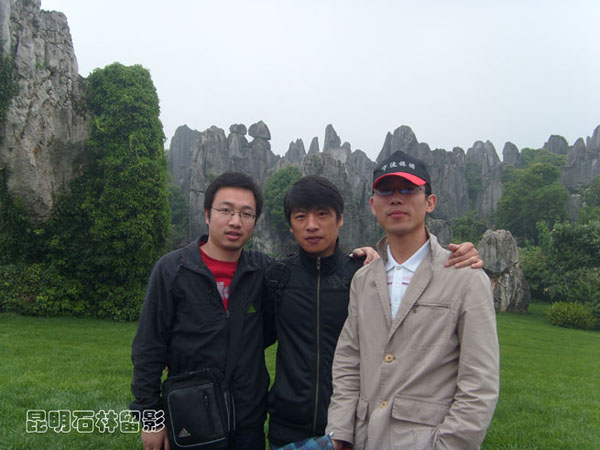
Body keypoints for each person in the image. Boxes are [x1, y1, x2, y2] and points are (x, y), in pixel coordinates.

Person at [264, 175, 484, 449]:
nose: (312, 225)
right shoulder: (277, 277)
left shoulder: (363, 276)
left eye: (322, 214)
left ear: (340, 219)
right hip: (287, 426)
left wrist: (460, 257)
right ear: (290, 225)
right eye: (300, 217)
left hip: (354, 428)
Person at [326, 151, 500, 450]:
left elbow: (479, 382)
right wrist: (340, 432)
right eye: (386, 191)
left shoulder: (465, 278)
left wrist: (449, 445)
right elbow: (348, 361)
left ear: (430, 202)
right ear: (373, 204)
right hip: (364, 438)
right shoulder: (363, 280)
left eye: (408, 189)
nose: (396, 199)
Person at [130, 172, 271, 450]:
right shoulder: (173, 269)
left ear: (254, 221)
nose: (235, 221)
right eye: (225, 210)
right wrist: (151, 419)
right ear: (207, 214)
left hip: (248, 423)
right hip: (190, 416)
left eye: (246, 214)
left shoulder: (263, 272)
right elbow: (149, 346)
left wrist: (356, 259)